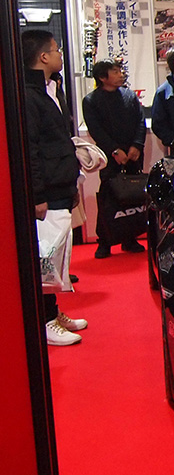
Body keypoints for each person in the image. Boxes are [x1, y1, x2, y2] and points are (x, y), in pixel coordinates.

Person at [22, 30, 87, 346]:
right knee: (45, 257)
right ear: (43, 56)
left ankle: (53, 310)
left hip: (62, 182)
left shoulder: (53, 89)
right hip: (46, 190)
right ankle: (45, 319)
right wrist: (37, 195)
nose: (61, 54)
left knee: (58, 253)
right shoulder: (29, 95)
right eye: (56, 49)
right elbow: (31, 148)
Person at [82, 60, 146, 258]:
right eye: (115, 72)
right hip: (110, 156)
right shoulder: (91, 100)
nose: (120, 75)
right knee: (108, 197)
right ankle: (104, 241)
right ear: (103, 77)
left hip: (133, 153)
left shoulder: (129, 95)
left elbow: (140, 121)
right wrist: (114, 150)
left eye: (120, 71)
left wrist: (137, 145)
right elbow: (96, 130)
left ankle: (130, 238)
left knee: (133, 197)